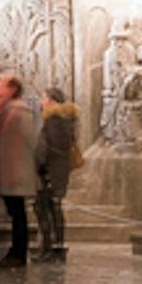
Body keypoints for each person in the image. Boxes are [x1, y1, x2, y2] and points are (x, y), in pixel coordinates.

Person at [0, 75, 42, 266]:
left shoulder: (19, 111)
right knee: (15, 212)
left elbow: (23, 144)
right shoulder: (8, 110)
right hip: (11, 169)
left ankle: (18, 254)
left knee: (18, 213)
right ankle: (15, 251)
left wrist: (12, 171)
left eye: (1, 85)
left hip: (15, 171)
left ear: (12, 89)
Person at [36, 90, 80, 260]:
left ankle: (49, 248)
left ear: (52, 101)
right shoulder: (66, 121)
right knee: (54, 208)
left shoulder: (53, 120)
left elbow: (46, 148)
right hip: (59, 170)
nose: (42, 101)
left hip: (49, 171)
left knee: (45, 209)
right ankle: (57, 246)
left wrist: (40, 165)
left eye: (44, 97)